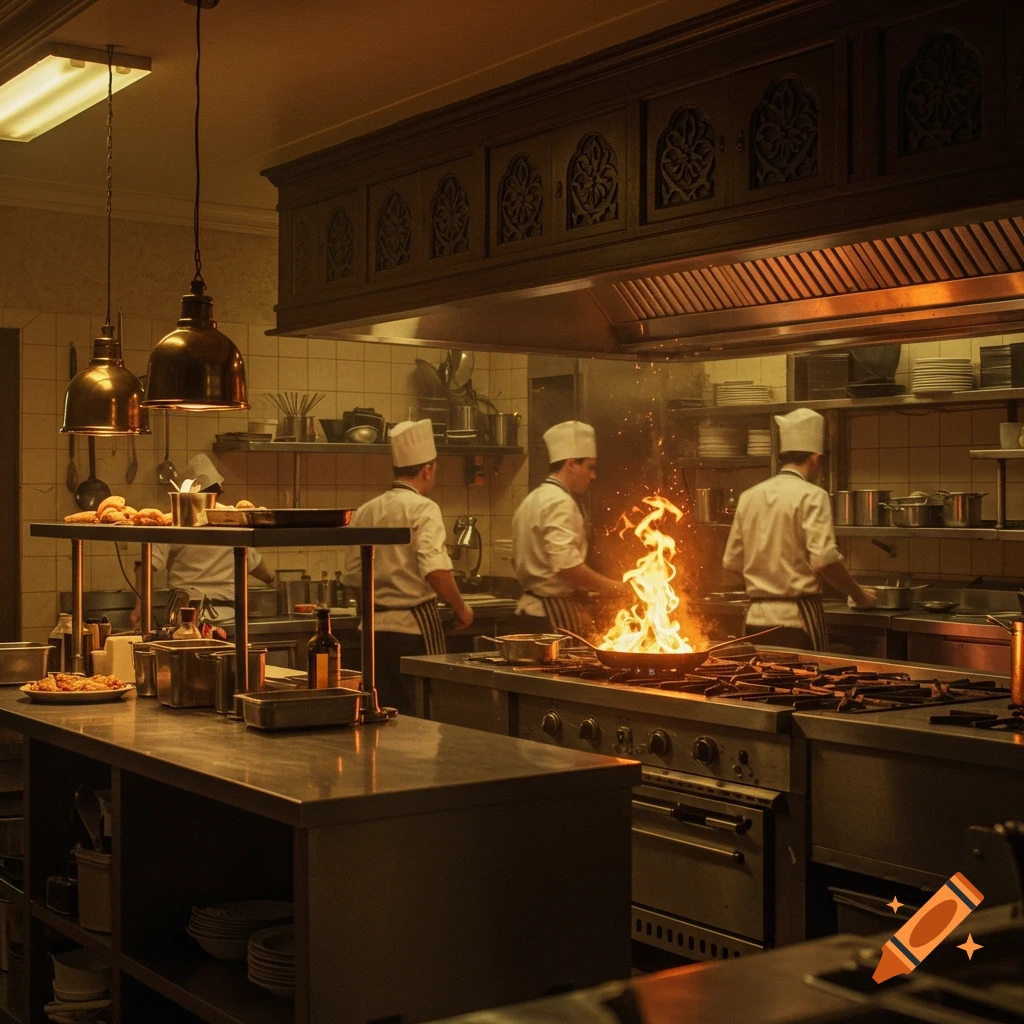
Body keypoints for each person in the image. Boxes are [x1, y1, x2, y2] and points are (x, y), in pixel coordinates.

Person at [342, 419, 473, 714]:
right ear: (428, 469)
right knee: (425, 714)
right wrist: (461, 608)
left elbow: (352, 575)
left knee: (381, 715)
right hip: (414, 630)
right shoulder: (424, 508)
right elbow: (435, 570)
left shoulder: (366, 510)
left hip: (372, 632)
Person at [721, 408, 875, 651]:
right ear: (815, 459)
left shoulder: (749, 496)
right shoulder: (813, 495)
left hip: (754, 618)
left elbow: (731, 562)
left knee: (756, 685)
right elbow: (825, 561)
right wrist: (859, 595)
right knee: (805, 687)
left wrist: (768, 580)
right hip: (797, 619)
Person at [130, 454, 275, 628]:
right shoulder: (232, 517)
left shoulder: (178, 519)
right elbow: (256, 565)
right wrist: (272, 580)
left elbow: (146, 566)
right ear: (218, 492)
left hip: (185, 616)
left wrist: (140, 607)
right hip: (228, 617)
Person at [511, 420, 625, 635]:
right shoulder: (560, 502)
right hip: (550, 615)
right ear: (571, 464)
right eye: (590, 467)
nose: (593, 476)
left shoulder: (533, 498)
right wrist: (612, 587)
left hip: (531, 612)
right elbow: (566, 565)